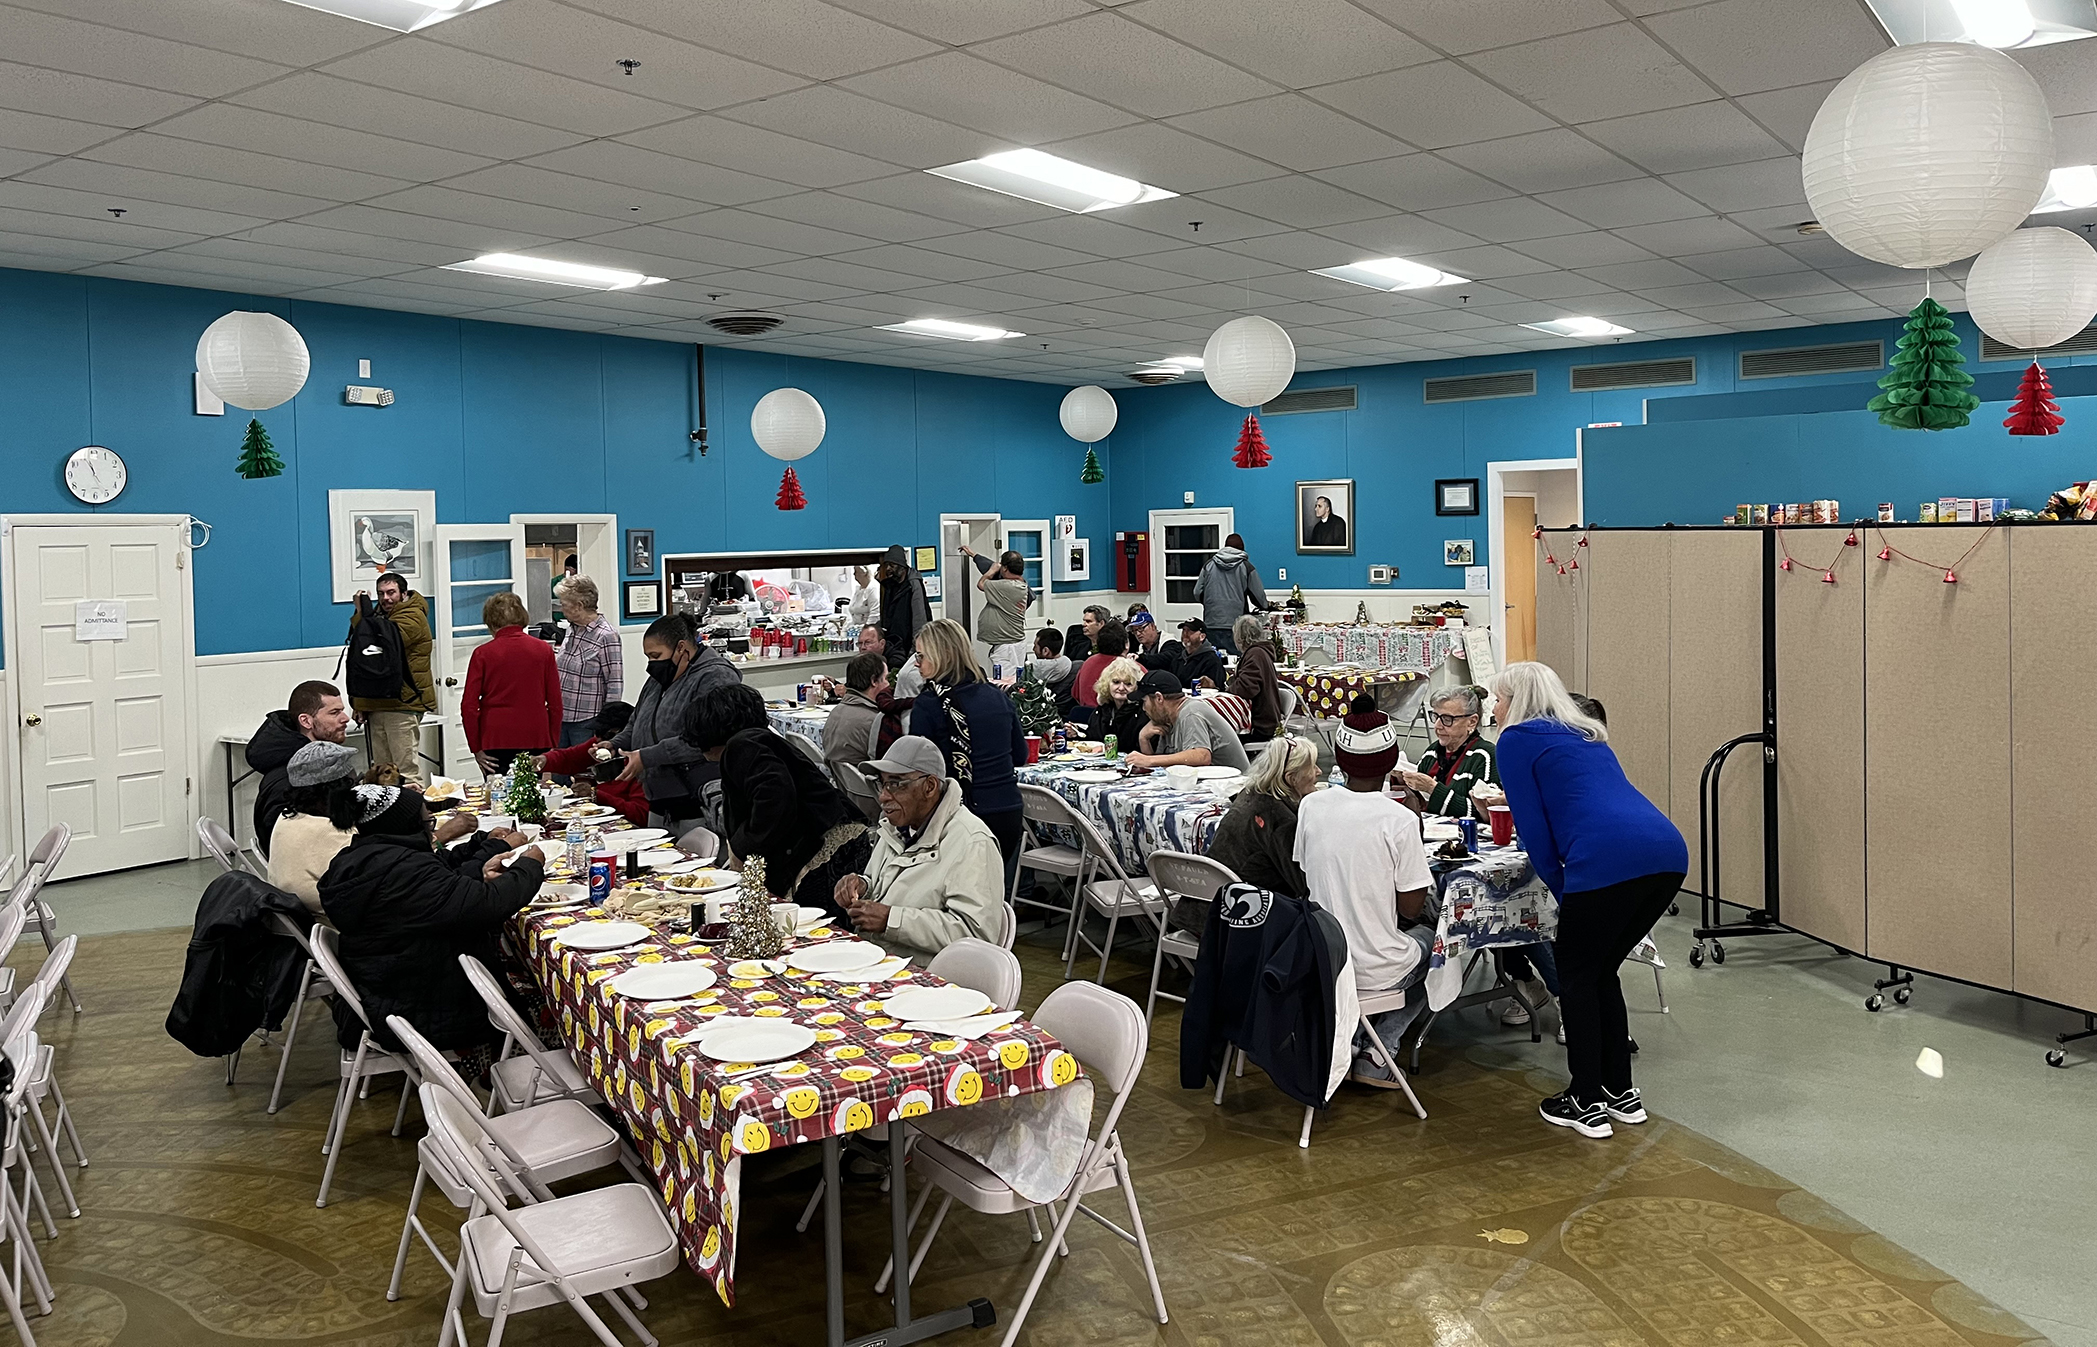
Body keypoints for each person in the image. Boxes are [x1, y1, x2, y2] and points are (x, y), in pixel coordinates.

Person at [1492, 663, 1686, 1139]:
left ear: (1515, 701)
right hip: (1665, 856)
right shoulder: (1586, 734)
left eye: (1497, 699)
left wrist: (1566, 894)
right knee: (1599, 973)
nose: (1492, 709)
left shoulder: (1515, 741)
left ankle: (1584, 1099)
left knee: (1577, 978)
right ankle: (1621, 1091)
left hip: (1604, 863)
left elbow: (1535, 833)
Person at [317, 785, 540, 1075]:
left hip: (392, 986)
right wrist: (530, 866)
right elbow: (487, 904)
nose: (431, 828)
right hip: (423, 1007)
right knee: (540, 991)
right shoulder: (401, 871)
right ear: (405, 826)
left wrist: (487, 851)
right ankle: (523, 1074)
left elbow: (445, 879)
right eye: (427, 822)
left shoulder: (365, 858)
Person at [1293, 697, 1434, 1090]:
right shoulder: (1401, 820)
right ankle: (1379, 1048)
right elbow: (1411, 907)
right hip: (1374, 965)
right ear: (1392, 762)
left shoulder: (1312, 805)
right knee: (1442, 948)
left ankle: (1356, 1040)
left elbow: (1307, 872)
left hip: (1321, 956)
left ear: (1340, 757)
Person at [687, 684, 870, 909]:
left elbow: (775, 800)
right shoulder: (758, 741)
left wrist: (743, 847)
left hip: (824, 847)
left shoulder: (742, 746)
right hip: (827, 839)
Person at [834, 736, 1008, 956]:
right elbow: (883, 885)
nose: (883, 796)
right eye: (882, 783)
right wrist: (862, 886)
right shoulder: (896, 826)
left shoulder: (973, 842)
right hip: (878, 960)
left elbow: (977, 937)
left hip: (928, 977)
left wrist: (891, 920)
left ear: (930, 786)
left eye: (896, 784)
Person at [908, 619, 1027, 891]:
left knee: (961, 901)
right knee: (993, 897)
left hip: (961, 816)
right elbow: (1019, 755)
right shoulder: (997, 696)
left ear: (940, 656)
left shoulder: (929, 704)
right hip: (1007, 812)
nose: (916, 662)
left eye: (921, 655)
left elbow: (920, 769)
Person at [605, 612, 742, 830]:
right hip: (659, 798)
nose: (651, 664)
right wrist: (614, 744)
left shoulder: (716, 678)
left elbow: (707, 740)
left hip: (696, 799)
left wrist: (646, 756)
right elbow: (637, 722)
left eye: (656, 656)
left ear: (681, 648)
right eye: (648, 657)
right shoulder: (658, 679)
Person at [264, 741, 378, 919]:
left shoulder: (288, 817)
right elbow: (375, 881)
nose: (356, 793)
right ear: (334, 792)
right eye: (353, 785)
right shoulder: (330, 833)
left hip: (302, 922)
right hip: (332, 926)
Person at [348, 572, 436, 786]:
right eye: (381, 594)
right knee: (381, 773)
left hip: (403, 702)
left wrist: (363, 613)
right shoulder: (379, 618)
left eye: (391, 592)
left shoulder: (413, 616)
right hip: (379, 703)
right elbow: (364, 663)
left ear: (404, 594)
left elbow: (384, 643)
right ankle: (388, 818)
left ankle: (417, 817)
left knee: (405, 773)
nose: (386, 598)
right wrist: (360, 703)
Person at [461, 592, 561, 776]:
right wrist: (553, 741)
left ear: (490, 621)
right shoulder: (543, 650)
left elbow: (469, 706)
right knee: (534, 794)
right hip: (536, 734)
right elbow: (555, 702)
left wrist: (475, 747)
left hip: (495, 736)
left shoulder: (482, 654)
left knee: (499, 796)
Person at [246, 680, 351, 857]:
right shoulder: (290, 779)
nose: (345, 718)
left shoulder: (317, 767)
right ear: (306, 721)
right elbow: (284, 844)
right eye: (334, 713)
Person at [1208, 733, 1316, 897]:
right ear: (1292, 778)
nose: (1319, 771)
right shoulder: (1281, 819)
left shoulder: (1249, 794)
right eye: (1312, 767)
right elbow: (1303, 885)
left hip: (1209, 899)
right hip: (1240, 911)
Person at [535, 701, 648, 825]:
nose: (597, 739)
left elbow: (641, 814)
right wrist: (543, 760)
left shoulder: (640, 762)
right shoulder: (601, 745)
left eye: (602, 734)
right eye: (596, 733)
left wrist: (596, 795)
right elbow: (570, 757)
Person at [1399, 686, 1497, 818]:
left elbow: (1484, 813)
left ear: (1472, 722)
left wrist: (1432, 789)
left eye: (1447, 719)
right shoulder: (1432, 752)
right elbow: (1419, 802)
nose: (1438, 726)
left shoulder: (1485, 756)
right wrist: (1404, 781)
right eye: (1435, 717)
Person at [1125, 670, 1251, 772]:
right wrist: (1144, 739)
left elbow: (1201, 756)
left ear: (1159, 698)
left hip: (1233, 791)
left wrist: (1148, 760)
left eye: (1144, 701)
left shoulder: (1190, 713)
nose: (1143, 708)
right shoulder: (1167, 718)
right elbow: (1158, 769)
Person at [553, 575, 622, 756]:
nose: (561, 608)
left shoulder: (607, 636)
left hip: (586, 720)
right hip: (562, 716)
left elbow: (614, 683)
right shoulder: (571, 629)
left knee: (584, 775)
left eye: (564, 604)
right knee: (559, 773)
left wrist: (606, 726)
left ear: (579, 606)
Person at [823, 652, 902, 777]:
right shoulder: (875, 721)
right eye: (886, 678)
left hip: (841, 787)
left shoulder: (836, 712)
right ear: (874, 681)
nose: (889, 685)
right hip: (868, 791)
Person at [957, 543, 1032, 674]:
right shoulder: (1021, 584)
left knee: (1005, 682)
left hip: (1007, 647)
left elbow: (981, 584)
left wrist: (991, 570)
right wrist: (974, 555)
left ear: (1005, 569)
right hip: (1011, 643)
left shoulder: (1007, 586)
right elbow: (993, 567)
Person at [1193, 533, 1268, 653]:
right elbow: (1258, 596)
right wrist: (1265, 606)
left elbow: (1197, 592)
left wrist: (1210, 603)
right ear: (1241, 549)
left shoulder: (1209, 565)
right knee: (1236, 661)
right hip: (1237, 625)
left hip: (1212, 622)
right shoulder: (1246, 566)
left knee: (1214, 660)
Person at [1226, 614, 1283, 740]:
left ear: (1240, 637)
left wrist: (1225, 690)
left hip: (1260, 726)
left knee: (1218, 734)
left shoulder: (1255, 654)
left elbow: (1246, 688)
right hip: (1266, 720)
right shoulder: (1260, 652)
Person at [876, 544, 931, 670]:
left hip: (908, 649)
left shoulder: (913, 585)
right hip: (894, 647)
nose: (889, 569)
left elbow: (920, 620)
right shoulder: (891, 585)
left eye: (892, 565)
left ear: (902, 566)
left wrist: (915, 652)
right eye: (887, 565)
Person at [1085, 655, 1148, 751]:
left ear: (1136, 687)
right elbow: (1092, 739)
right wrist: (1077, 733)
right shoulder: (1102, 710)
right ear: (1107, 684)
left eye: (1128, 684)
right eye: (1116, 682)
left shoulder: (1142, 713)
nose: (1121, 688)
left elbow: (1132, 748)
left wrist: (1105, 748)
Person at [859, 623, 924, 699]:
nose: (862, 647)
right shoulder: (860, 662)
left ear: (882, 644)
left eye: (868, 643)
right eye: (860, 643)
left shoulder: (896, 663)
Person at [1074, 620, 1128, 709]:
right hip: (1111, 718)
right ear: (1125, 644)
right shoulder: (1130, 667)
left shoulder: (1088, 662)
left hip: (1084, 715)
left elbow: (1075, 694)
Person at [1026, 627, 1077, 719]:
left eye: (1035, 646)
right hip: (1067, 719)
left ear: (1045, 651)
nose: (1033, 649)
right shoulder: (1077, 668)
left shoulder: (1029, 673)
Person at [1163, 619, 1226, 690]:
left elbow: (1218, 689)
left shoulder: (1211, 660)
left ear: (1202, 636)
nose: (1185, 634)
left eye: (1190, 631)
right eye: (1184, 630)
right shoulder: (1178, 658)